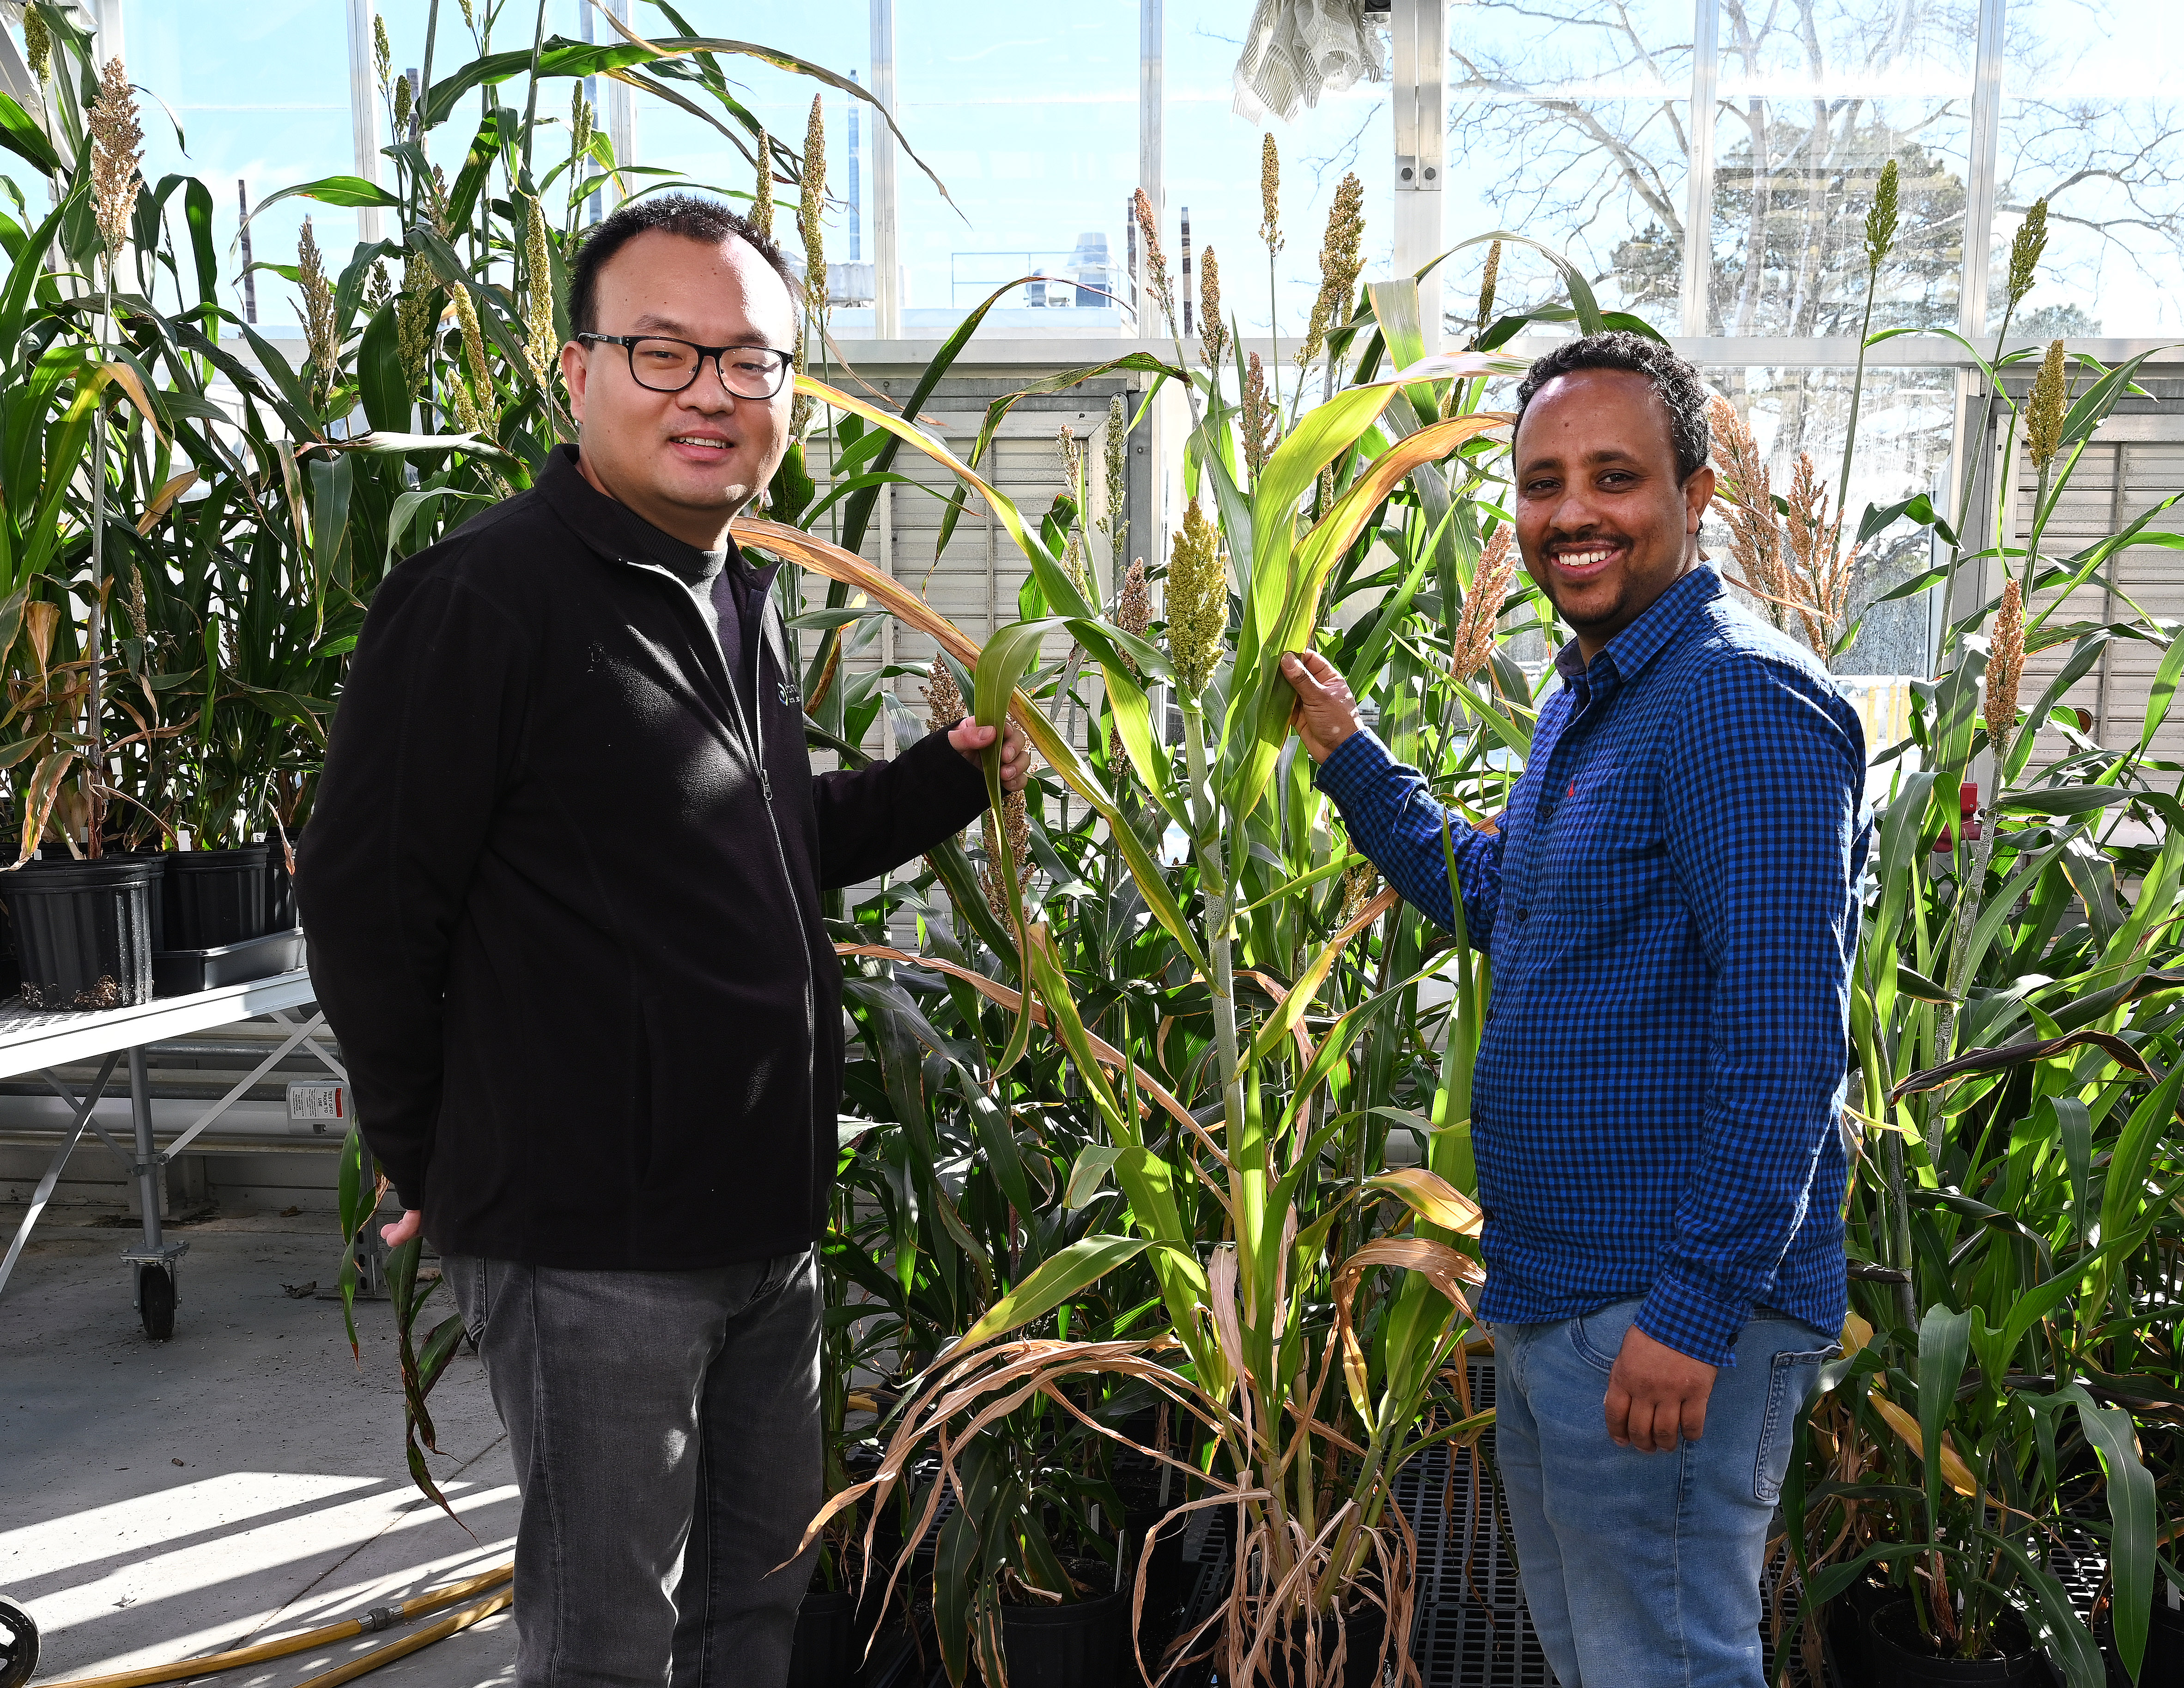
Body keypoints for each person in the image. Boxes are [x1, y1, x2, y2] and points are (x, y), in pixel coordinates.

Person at [297, 193, 1029, 1688]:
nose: (711, 391)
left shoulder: (725, 590)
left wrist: (945, 774)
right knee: (610, 1643)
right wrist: (434, 1157)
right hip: (592, 1243)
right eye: (663, 352)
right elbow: (369, 901)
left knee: (756, 1608)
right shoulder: (484, 603)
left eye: (749, 362)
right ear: (576, 374)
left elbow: (762, 853)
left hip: (762, 1228)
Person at [1281, 332, 1866, 1686]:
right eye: (1543, 484)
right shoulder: (1600, 697)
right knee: (1612, 1658)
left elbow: (1788, 1046)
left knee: (1663, 1661)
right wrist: (1354, 760)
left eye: (1615, 476)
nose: (1571, 515)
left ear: (1697, 493)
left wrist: (1693, 1311)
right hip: (1567, 1297)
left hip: (1658, 1311)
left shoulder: (1738, 699)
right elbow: (1509, 899)